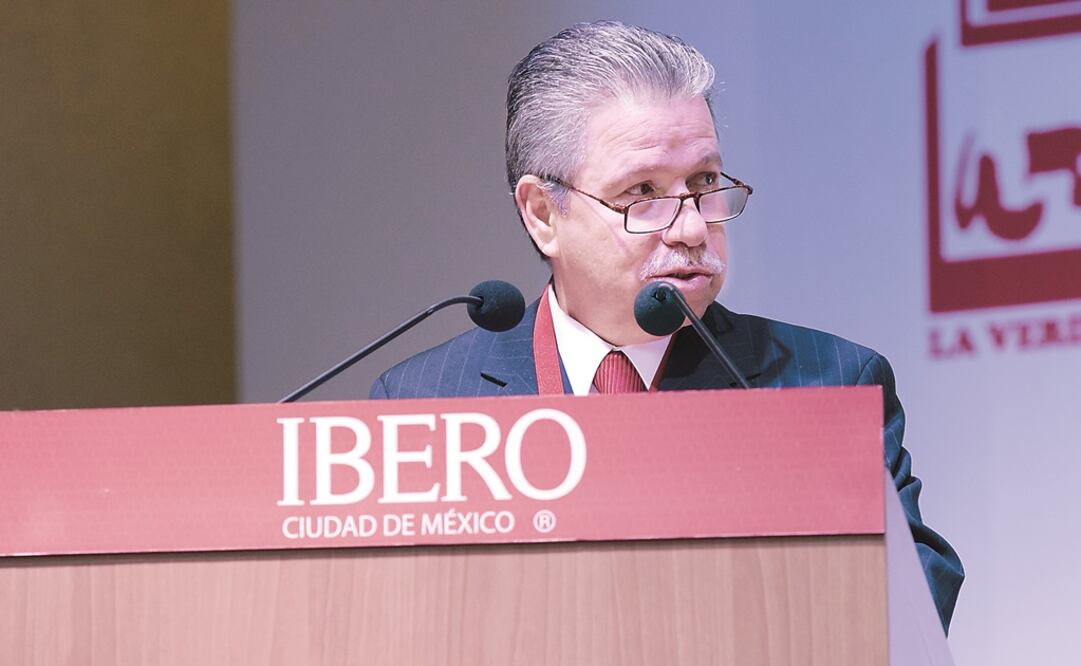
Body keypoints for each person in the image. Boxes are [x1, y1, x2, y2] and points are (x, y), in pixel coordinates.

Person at [369, 20, 963, 631]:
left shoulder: (828, 382)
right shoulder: (426, 404)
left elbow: (917, 592)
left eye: (704, 183)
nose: (691, 228)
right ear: (544, 214)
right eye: (642, 192)